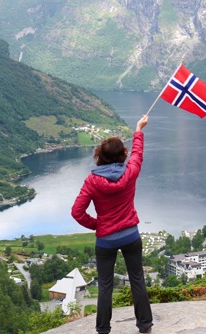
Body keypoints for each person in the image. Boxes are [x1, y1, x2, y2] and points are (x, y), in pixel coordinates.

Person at [71, 115, 153, 334]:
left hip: (105, 240)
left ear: (99, 156)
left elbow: (77, 212)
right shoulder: (130, 173)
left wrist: (98, 225)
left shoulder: (92, 181)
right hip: (130, 236)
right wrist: (138, 129)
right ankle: (145, 325)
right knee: (137, 279)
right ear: (121, 155)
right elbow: (137, 155)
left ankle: (103, 329)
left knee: (105, 285)